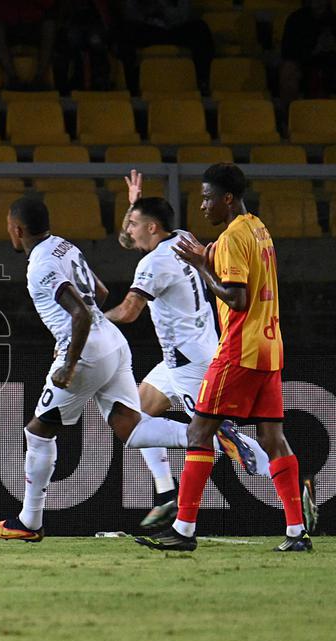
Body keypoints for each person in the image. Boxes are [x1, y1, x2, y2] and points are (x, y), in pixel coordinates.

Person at [0, 197, 235, 543]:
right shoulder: (62, 246)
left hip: (87, 352)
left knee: (39, 431)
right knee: (131, 429)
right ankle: (206, 437)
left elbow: (81, 314)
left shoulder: (40, 265)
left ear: (17, 230)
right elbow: (98, 292)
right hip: (113, 344)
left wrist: (69, 363)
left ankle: (29, 521)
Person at [137, 164, 314, 552]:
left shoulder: (233, 236)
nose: (202, 206)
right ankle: (296, 532)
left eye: (206, 197)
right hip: (270, 347)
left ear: (227, 199)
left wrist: (203, 266)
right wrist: (209, 255)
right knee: (272, 437)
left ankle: (183, 530)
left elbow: (237, 297)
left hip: (238, 348)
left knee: (199, 433)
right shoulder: (257, 227)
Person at [104, 171, 276, 531]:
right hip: (186, 355)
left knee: (215, 435)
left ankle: (285, 480)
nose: (128, 230)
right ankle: (167, 494)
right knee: (136, 414)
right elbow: (127, 239)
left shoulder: (152, 264)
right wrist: (134, 203)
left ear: (152, 228)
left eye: (134, 223)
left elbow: (129, 312)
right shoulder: (181, 237)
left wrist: (89, 321)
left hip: (189, 364)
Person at [116, 0, 215, 96]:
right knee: (124, 32)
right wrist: (148, 12)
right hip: (148, 29)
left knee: (201, 29)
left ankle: (202, 81)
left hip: (173, 29)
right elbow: (130, 14)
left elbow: (184, 15)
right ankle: (131, 84)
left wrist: (163, 7)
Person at [278, 0, 336, 110]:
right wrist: (315, 49)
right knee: (288, 69)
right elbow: (288, 53)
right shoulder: (295, 19)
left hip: (330, 66)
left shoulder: (333, 20)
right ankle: (289, 116)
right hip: (303, 65)